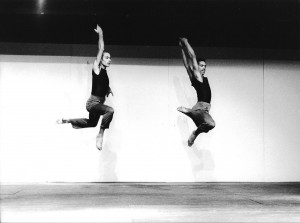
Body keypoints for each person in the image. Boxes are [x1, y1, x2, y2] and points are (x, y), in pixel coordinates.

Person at [57, 24, 114, 151]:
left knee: (92, 123)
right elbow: (101, 48)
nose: (109, 59)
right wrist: (101, 33)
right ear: (100, 60)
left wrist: (108, 89)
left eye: (110, 58)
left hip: (97, 104)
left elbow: (102, 83)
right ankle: (100, 135)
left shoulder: (104, 73)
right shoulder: (96, 69)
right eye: (106, 57)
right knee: (110, 110)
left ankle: (67, 120)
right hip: (93, 103)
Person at [177, 37, 215, 147]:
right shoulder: (198, 76)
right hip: (201, 109)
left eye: (205, 66)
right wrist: (186, 42)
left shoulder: (194, 78)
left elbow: (186, 65)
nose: (204, 68)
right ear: (197, 67)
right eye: (201, 65)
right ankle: (190, 114)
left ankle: (191, 113)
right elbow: (192, 57)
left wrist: (182, 49)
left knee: (206, 128)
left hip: (202, 112)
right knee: (211, 124)